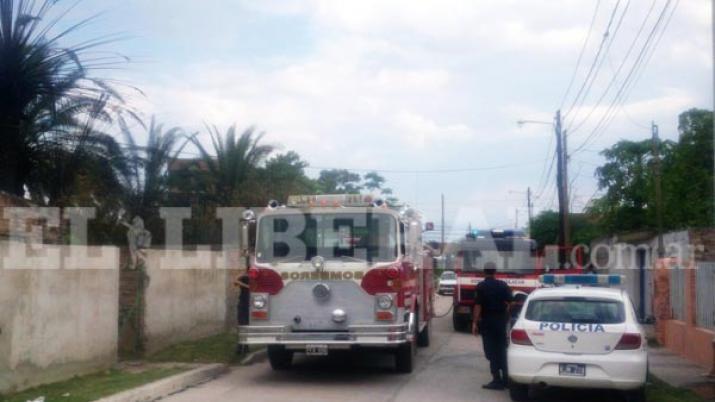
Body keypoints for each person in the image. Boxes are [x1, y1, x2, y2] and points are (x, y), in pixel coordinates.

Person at [472, 261, 513, 390]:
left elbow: (478, 306)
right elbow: (511, 302)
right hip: (501, 321)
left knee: (490, 351)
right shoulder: (503, 285)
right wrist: (506, 315)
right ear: (495, 272)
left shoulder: (481, 286)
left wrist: (475, 322)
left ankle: (497, 380)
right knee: (501, 349)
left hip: (488, 321)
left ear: (484, 272)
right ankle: (506, 379)